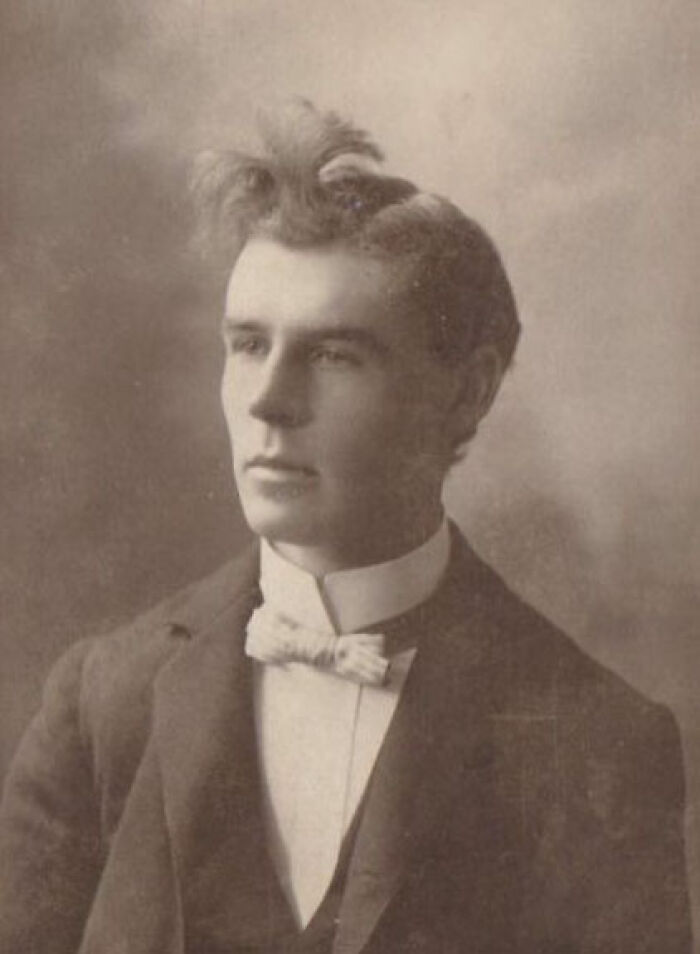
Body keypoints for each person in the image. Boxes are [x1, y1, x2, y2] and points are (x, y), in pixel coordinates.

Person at [0, 101, 692, 954]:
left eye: (333, 355)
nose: (268, 400)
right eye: (248, 345)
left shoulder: (596, 744)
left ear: (467, 392)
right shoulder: (104, 702)